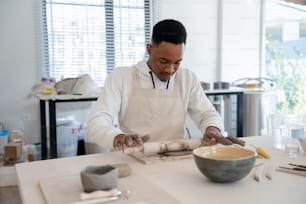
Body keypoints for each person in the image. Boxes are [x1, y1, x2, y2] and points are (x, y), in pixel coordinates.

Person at [87, 19, 224, 151]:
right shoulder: (122, 77)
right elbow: (97, 121)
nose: (170, 69)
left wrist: (213, 128)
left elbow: (207, 114)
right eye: (163, 61)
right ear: (149, 49)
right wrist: (117, 136)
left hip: (175, 157)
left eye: (177, 62)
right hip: (133, 157)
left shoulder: (187, 78)